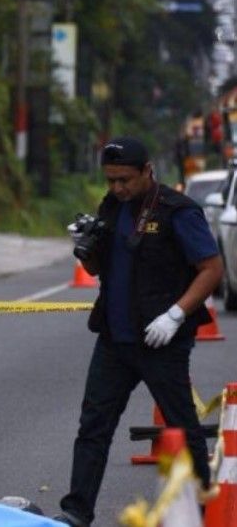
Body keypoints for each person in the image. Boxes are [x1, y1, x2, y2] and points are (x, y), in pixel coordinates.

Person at [53, 136, 224, 527]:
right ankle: (76, 512)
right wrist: (85, 246)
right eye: (111, 180)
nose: (117, 188)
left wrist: (176, 316)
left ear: (147, 171)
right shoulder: (112, 208)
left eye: (125, 180)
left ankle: (203, 509)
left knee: (182, 426)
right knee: (93, 426)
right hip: (114, 340)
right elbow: (98, 269)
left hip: (161, 340)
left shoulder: (177, 211)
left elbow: (211, 269)